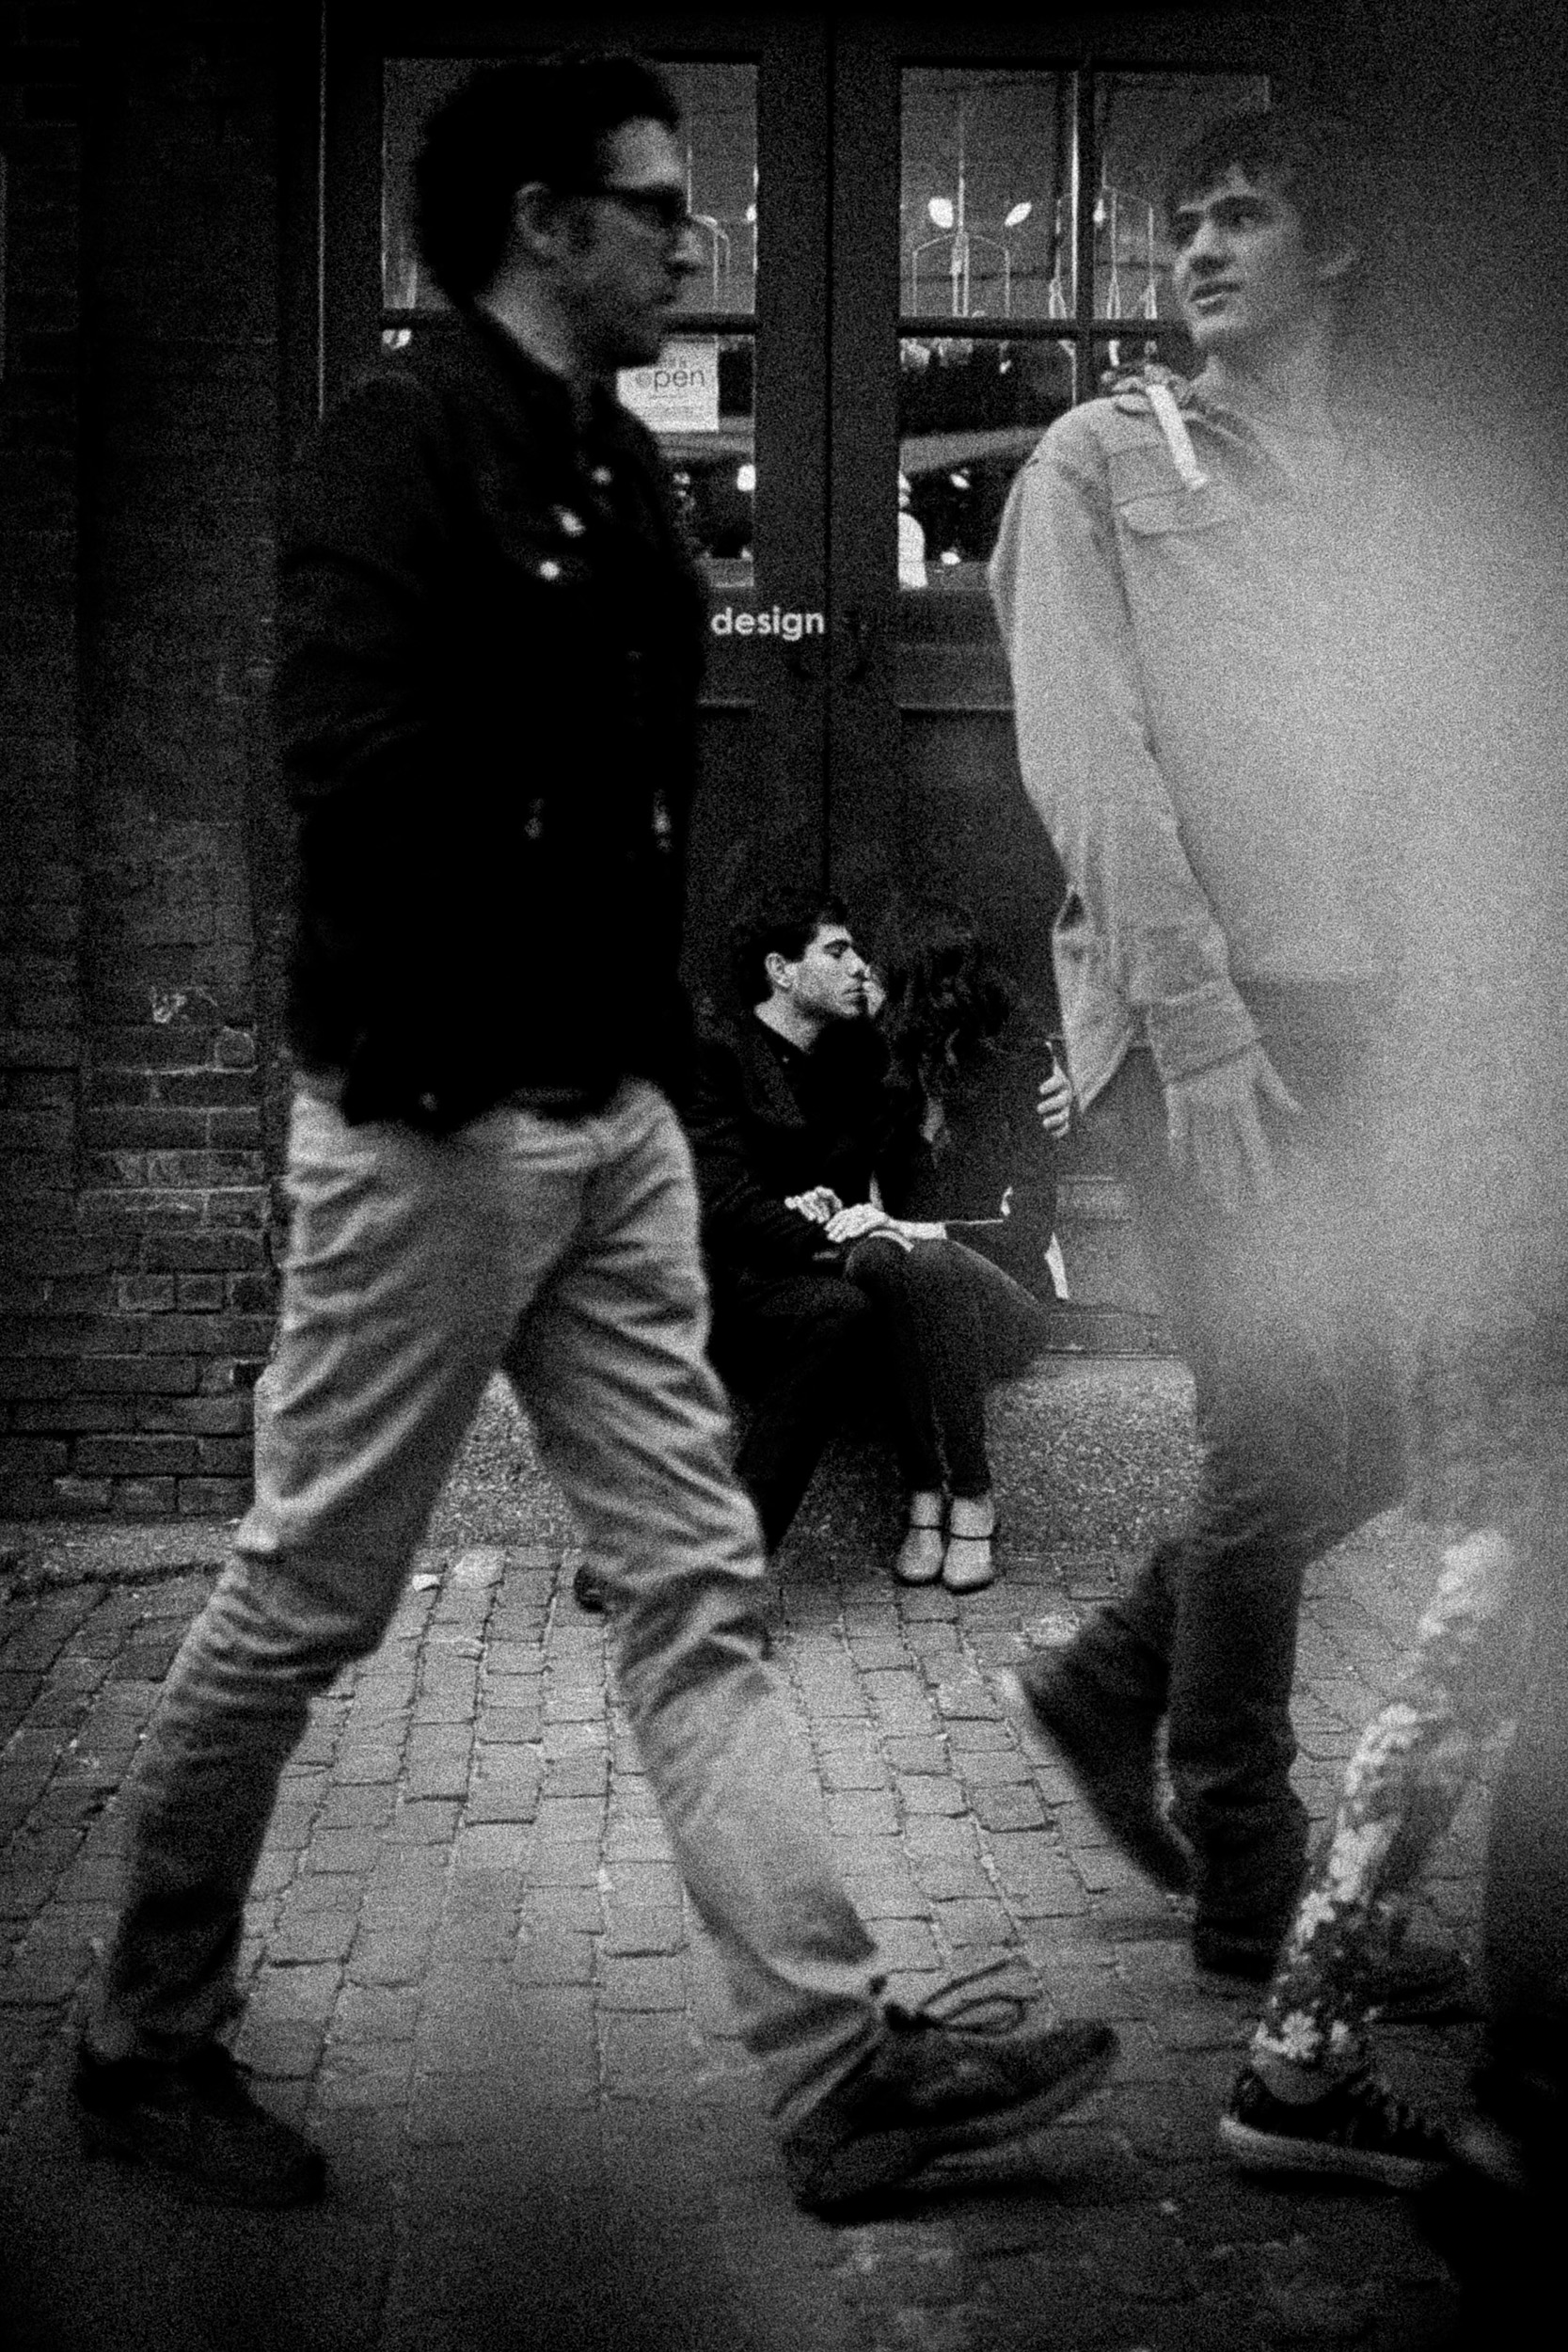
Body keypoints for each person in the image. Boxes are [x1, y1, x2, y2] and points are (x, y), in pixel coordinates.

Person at [71, 56, 1117, 2216]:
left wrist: (689, 1112)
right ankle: (139, 2037)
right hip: (436, 1133)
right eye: (653, 208)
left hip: (614, 1130)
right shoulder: (397, 456)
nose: (689, 238)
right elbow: (344, 783)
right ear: (547, 226)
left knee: (691, 1588)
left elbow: (642, 844)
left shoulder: (629, 488)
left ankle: (836, 2077)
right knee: (300, 1596)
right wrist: (517, 992)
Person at [989, 104, 1433, 1976]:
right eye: (1181, 227)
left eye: (1238, 218)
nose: (1193, 253)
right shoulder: (1095, 461)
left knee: (1369, 1437)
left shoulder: (1386, 494)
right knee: (1270, 1429)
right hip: (1192, 1029)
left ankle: (1105, 1677)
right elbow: (1093, 768)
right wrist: (1199, 1026)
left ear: (1321, 254)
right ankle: (1254, 1875)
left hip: (1358, 1016)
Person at [835, 910, 1072, 1592]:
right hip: (910, 1301)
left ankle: (971, 1495)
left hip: (1008, 1298)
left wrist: (917, 1231)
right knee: (878, 1261)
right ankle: (921, 1497)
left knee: (927, 1260)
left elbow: (1025, 1234)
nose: (863, 985)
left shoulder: (1021, 1072)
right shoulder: (880, 1074)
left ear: (915, 989)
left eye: (877, 974)